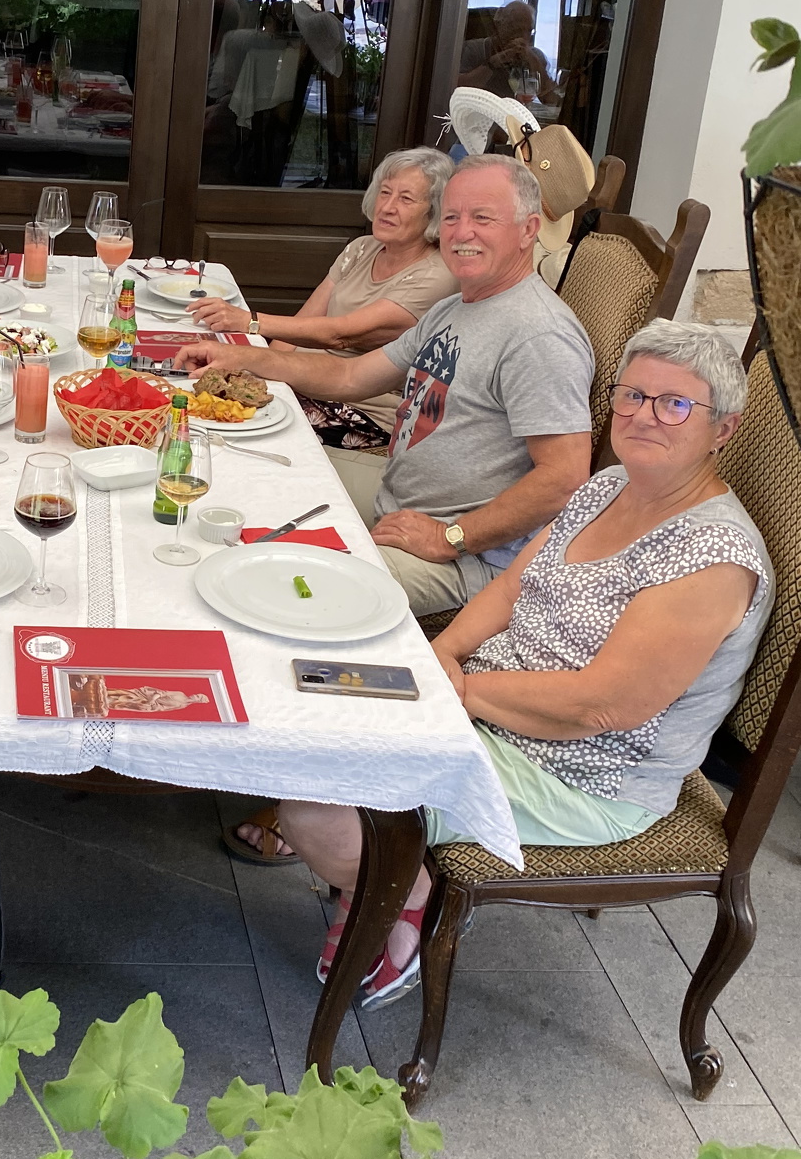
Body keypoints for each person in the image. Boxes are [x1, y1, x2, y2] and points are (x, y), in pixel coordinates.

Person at [265, 321, 772, 1008]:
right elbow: (511, 586)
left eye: (675, 404)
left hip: (581, 772)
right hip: (490, 703)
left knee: (314, 808)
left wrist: (462, 690)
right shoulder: (611, 486)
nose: (645, 414)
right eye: (632, 395)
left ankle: (406, 891)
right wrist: (442, 653)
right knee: (309, 699)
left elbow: (603, 706)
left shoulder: (711, 557)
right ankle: (381, 871)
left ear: (724, 429)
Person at [177, 154, 594, 618]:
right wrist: (243, 358)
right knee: (240, 469)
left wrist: (451, 537)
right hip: (395, 497)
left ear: (528, 229)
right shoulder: (455, 308)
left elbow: (564, 478)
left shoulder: (539, 335)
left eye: (482, 218)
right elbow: (351, 376)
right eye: (452, 217)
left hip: (467, 558)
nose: (462, 232)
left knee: (280, 594)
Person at [189, 147, 456, 450]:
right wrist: (259, 380)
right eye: (385, 192)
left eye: (406, 199)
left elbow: (340, 335)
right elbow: (297, 329)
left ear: (435, 211)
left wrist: (249, 322)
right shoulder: (362, 248)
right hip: (301, 384)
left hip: (359, 410)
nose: (388, 207)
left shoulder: (436, 275)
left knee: (228, 433)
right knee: (199, 400)